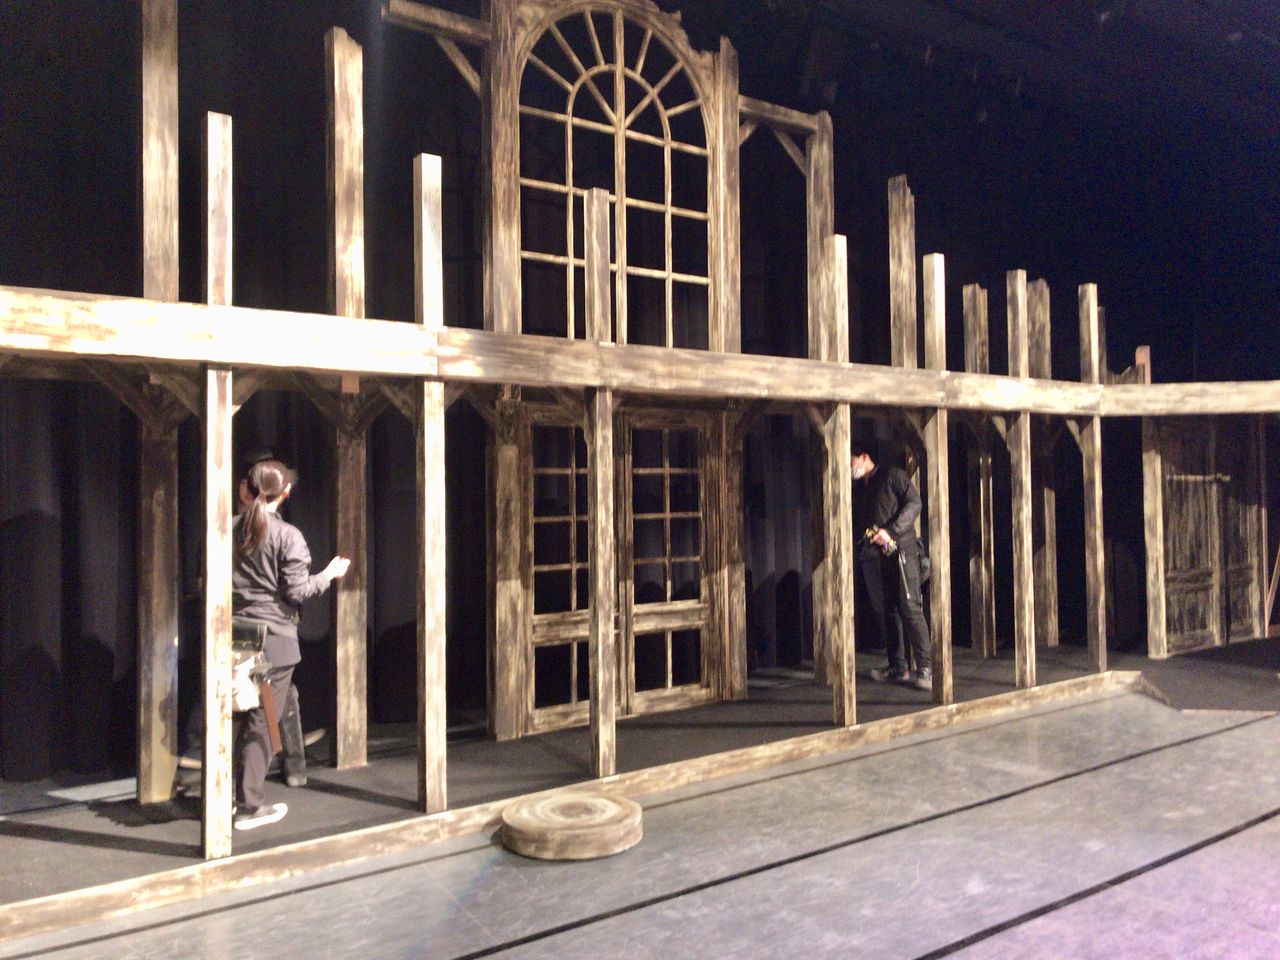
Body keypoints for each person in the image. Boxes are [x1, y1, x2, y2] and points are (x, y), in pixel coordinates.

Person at [232, 458, 349, 830]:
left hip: (239, 635)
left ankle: (233, 797)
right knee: (263, 720)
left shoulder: (229, 529)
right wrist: (328, 575)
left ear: (248, 490)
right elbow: (297, 591)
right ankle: (249, 806)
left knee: (239, 717)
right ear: (284, 493)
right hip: (274, 642)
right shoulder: (287, 536)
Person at [851, 441, 932, 692]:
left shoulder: (892, 476)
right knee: (886, 611)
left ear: (864, 456)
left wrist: (892, 531)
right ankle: (898, 666)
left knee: (910, 607)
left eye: (851, 460)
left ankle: (926, 668)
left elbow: (914, 503)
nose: (849, 467)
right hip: (875, 556)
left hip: (902, 551)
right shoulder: (859, 489)